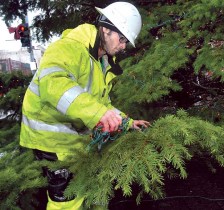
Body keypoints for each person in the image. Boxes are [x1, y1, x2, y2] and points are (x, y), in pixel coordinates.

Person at [19, 2, 150, 209]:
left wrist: (127, 122)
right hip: (52, 140)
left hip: (76, 140)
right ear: (106, 28)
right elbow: (54, 84)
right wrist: (98, 113)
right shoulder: (69, 47)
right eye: (122, 38)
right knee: (68, 202)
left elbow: (102, 105)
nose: (124, 46)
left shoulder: (101, 62)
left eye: (126, 41)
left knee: (94, 191)